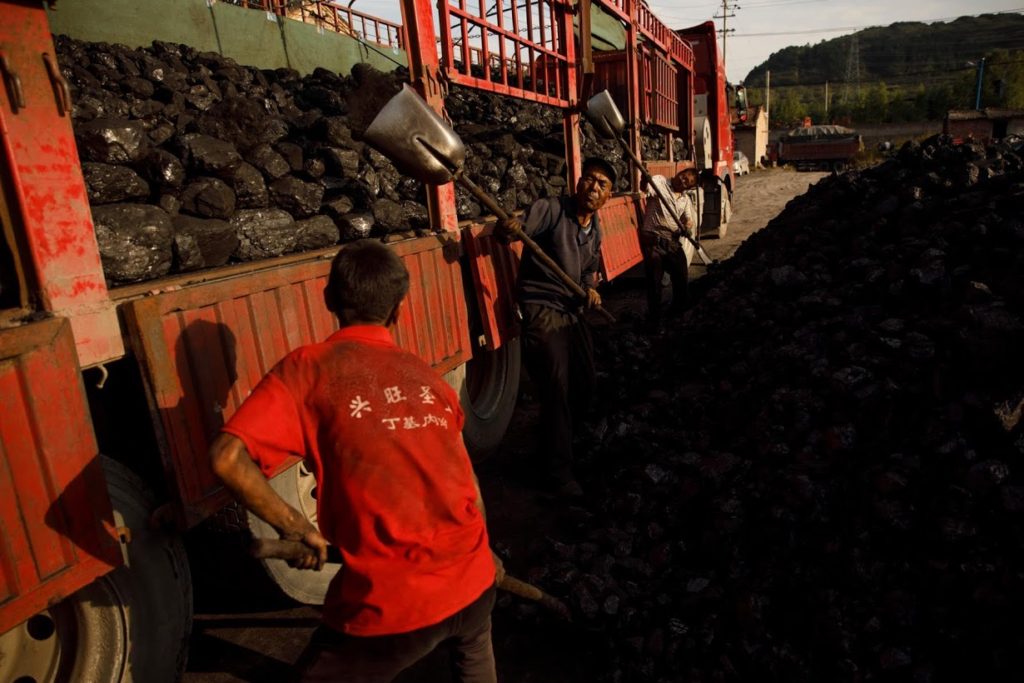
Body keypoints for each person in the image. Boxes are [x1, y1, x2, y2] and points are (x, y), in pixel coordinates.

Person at [209, 239, 501, 683]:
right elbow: (470, 489)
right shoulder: (426, 375)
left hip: (392, 605)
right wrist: (486, 556)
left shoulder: (309, 368)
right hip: (475, 578)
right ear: (398, 310)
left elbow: (227, 458)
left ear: (328, 299)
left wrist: (297, 527)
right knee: (476, 661)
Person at [495, 157, 615, 497]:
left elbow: (589, 270)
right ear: (578, 183)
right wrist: (509, 229)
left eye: (601, 185)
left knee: (585, 381)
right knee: (557, 385)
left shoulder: (595, 228)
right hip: (542, 306)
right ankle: (558, 473)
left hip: (571, 309)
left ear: (609, 195)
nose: (593, 188)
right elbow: (514, 231)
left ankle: (554, 448)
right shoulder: (551, 209)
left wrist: (590, 289)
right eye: (589, 180)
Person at [639, 167, 700, 331]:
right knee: (654, 282)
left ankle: (677, 312)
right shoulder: (659, 181)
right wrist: (645, 178)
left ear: (689, 187)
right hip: (653, 240)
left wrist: (687, 226)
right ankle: (655, 321)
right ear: (679, 173)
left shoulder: (685, 200)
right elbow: (645, 188)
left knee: (681, 273)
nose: (682, 180)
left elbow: (688, 219)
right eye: (682, 176)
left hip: (671, 241)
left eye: (687, 181)